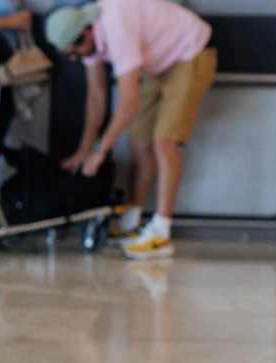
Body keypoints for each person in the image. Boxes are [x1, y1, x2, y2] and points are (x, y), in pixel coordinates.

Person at [46, 0, 215, 261]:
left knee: (163, 142)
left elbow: (128, 102)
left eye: (76, 51)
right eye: (70, 55)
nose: (75, 58)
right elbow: (96, 98)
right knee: (139, 141)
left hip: (189, 52)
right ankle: (131, 221)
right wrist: (84, 149)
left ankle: (161, 232)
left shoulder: (116, 28)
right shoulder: (87, 41)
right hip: (160, 62)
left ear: (87, 32)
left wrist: (100, 151)